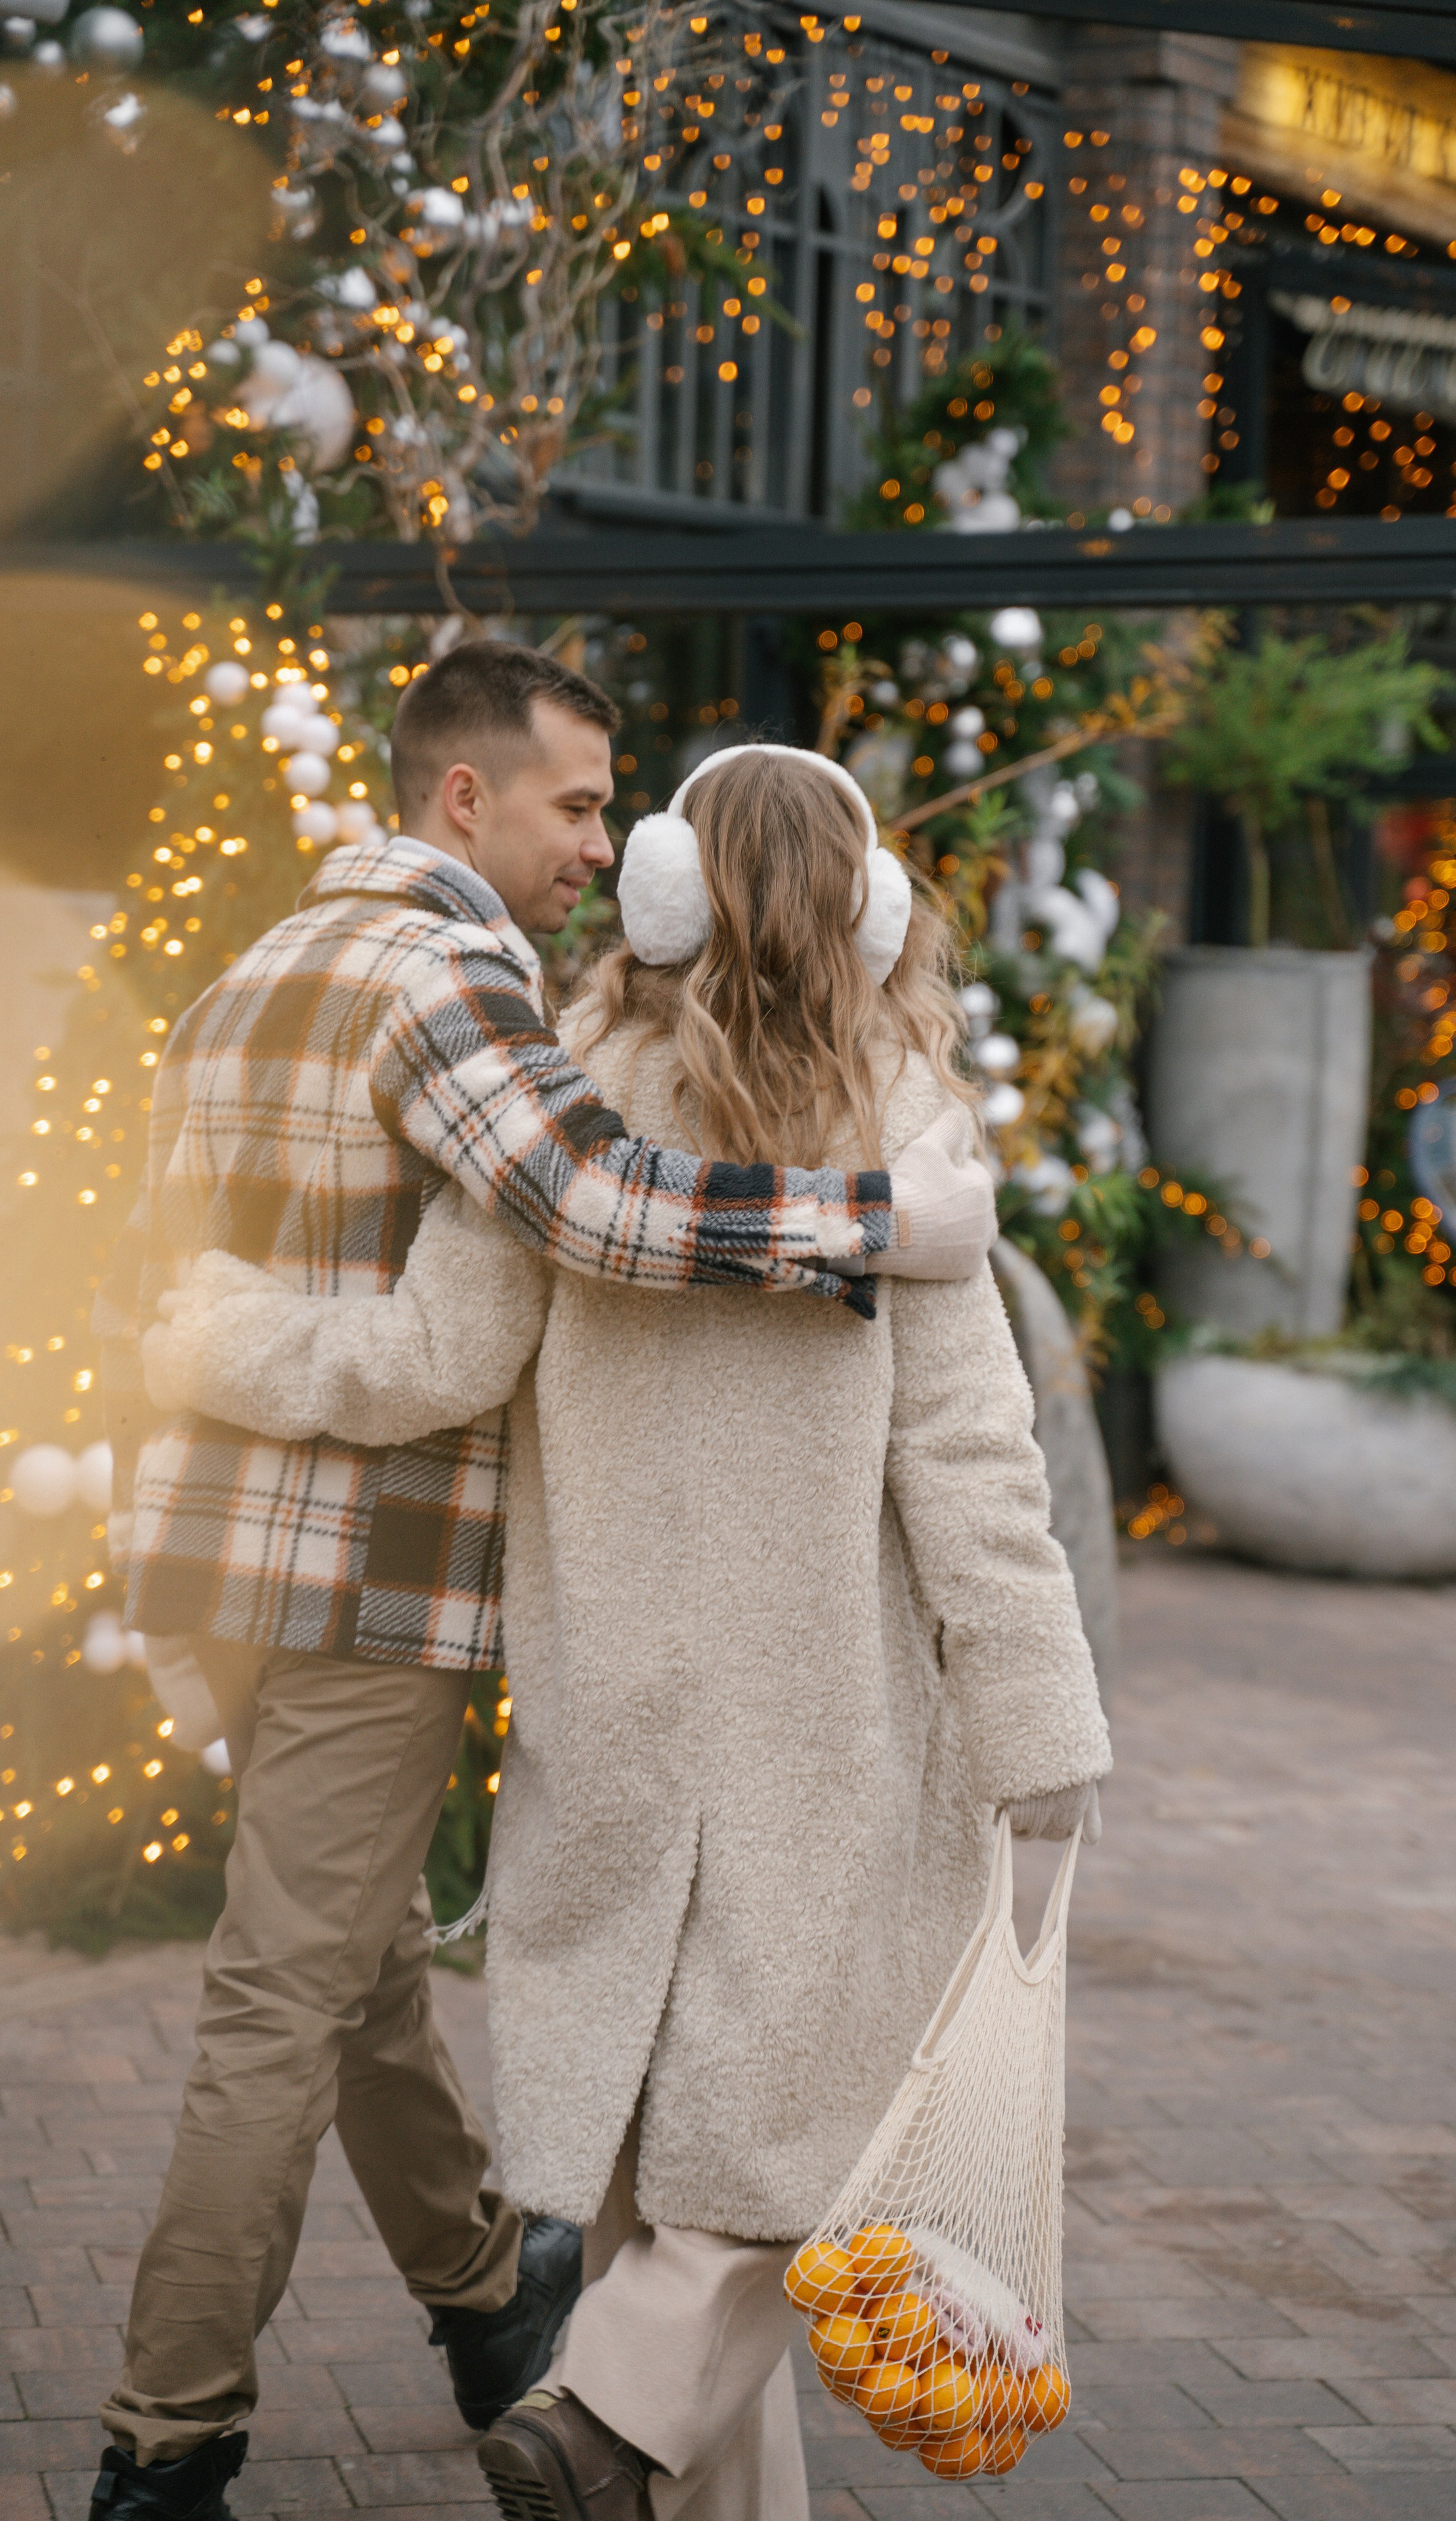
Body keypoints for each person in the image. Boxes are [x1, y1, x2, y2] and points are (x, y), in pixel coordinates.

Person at [142, 741, 1113, 2521]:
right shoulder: (903, 1126)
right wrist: (1042, 1728)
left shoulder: (577, 1087)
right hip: (837, 1724)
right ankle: (594, 2420)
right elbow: (974, 1459)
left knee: (679, 2168)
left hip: (612, 1711)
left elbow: (434, 1361)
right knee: (793, 2154)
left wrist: (223, 1340)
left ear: (665, 885)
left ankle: (625, 2446)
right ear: (871, 907)